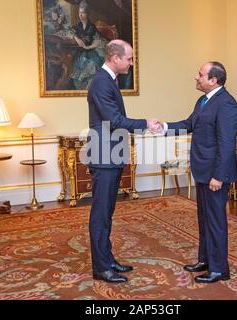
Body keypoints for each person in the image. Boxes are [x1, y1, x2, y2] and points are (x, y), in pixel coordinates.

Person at [87, 39, 160, 283]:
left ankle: (107, 260)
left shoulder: (109, 81)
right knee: (100, 214)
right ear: (115, 58)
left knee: (107, 213)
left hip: (111, 155)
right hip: (104, 156)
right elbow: (114, 120)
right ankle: (101, 268)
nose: (131, 62)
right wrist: (145, 124)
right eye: (128, 58)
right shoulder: (100, 82)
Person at [162, 62, 237, 284]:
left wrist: (219, 176)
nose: (196, 77)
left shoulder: (226, 104)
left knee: (216, 221)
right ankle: (205, 260)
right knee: (204, 218)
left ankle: (219, 269)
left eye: (200, 74)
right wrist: (164, 127)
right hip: (202, 170)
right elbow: (189, 124)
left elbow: (226, 143)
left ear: (214, 80)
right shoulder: (203, 101)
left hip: (215, 174)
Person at [70, 1, 107, 90]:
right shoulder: (76, 27)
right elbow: (69, 32)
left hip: (91, 52)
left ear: (87, 14)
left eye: (83, 13)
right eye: (79, 13)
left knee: (95, 64)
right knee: (77, 67)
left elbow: (100, 40)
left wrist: (88, 47)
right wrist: (76, 38)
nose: (81, 15)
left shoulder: (92, 27)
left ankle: (91, 87)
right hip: (79, 53)